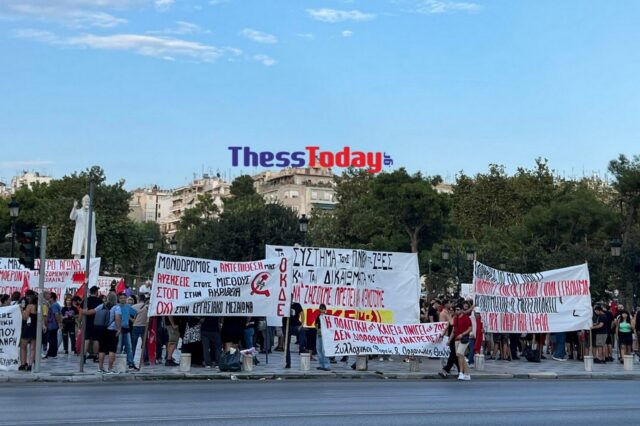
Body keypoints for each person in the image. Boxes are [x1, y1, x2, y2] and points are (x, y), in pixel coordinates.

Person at [97, 293, 121, 373]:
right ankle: (110, 368)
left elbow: (94, 312)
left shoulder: (102, 306)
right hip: (112, 330)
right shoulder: (117, 307)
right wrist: (119, 329)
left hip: (102, 330)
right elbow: (117, 318)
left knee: (102, 349)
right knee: (112, 349)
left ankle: (100, 368)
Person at [80, 286, 103, 362]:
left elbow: (81, 312)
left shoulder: (85, 300)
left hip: (87, 322)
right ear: (96, 292)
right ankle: (95, 356)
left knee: (87, 339)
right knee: (96, 340)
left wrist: (80, 322)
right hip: (97, 323)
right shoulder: (100, 301)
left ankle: (83, 355)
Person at [117, 292, 137, 369]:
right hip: (119, 329)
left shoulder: (128, 306)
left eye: (124, 298)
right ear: (119, 299)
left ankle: (130, 362)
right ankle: (118, 363)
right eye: (121, 298)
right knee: (119, 347)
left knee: (129, 346)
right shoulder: (116, 307)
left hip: (126, 328)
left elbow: (135, 313)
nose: (123, 299)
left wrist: (133, 319)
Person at [452, 304, 472, 380]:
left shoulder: (466, 318)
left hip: (464, 339)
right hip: (457, 339)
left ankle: (461, 373)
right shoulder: (455, 318)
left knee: (460, 354)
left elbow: (470, 328)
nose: (456, 311)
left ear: (461, 310)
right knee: (461, 356)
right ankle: (467, 374)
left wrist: (462, 334)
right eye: (455, 310)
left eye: (458, 310)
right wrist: (450, 339)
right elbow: (454, 330)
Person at [19, 292, 37, 371]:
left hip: (28, 327)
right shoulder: (39, 306)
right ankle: (30, 365)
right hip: (35, 327)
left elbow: (25, 317)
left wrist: (22, 310)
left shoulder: (29, 306)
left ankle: (23, 364)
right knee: (33, 348)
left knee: (23, 347)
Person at [285, 302, 305, 369]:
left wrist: (301, 324)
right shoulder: (284, 303)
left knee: (303, 330)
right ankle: (288, 363)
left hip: (295, 325)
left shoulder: (297, 305)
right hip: (286, 326)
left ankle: (302, 348)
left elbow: (302, 314)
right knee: (286, 345)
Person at [131, 294, 149, 366]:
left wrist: (133, 321)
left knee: (133, 344)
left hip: (135, 326)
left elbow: (129, 315)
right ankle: (145, 359)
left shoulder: (134, 306)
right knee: (144, 344)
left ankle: (131, 359)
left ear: (138, 299)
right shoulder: (147, 307)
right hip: (144, 326)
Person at [43, 292, 62, 359]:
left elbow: (56, 314)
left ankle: (52, 353)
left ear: (52, 298)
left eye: (49, 296)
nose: (47, 297)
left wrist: (59, 323)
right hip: (51, 325)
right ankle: (51, 353)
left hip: (53, 325)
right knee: (52, 339)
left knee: (52, 339)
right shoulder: (52, 305)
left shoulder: (54, 305)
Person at [315, 304, 330, 371]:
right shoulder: (318, 316)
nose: (322, 310)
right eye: (321, 308)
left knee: (324, 350)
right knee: (319, 349)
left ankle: (326, 366)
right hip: (319, 334)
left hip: (325, 335)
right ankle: (321, 365)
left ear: (325, 309)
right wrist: (318, 330)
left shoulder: (327, 317)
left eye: (323, 308)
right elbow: (316, 324)